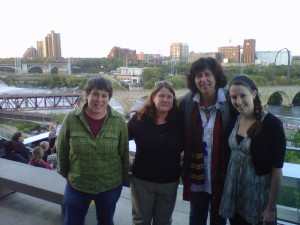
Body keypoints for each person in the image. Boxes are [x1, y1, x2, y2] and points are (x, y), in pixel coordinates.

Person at [57, 77, 129, 225]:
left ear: (109, 98)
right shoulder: (71, 118)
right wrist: (67, 175)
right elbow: (62, 149)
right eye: (95, 94)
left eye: (104, 95)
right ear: (87, 94)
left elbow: (124, 153)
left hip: (109, 185)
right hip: (77, 185)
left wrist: (123, 180)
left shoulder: (119, 121)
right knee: (71, 222)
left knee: (106, 221)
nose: (99, 99)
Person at [219, 75, 286, 225]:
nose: (238, 101)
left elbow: (277, 170)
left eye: (243, 95)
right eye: (233, 97)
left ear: (254, 94)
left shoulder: (272, 125)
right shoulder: (235, 119)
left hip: (258, 200)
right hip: (234, 196)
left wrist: (271, 208)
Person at [178, 57, 237, 225]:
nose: (203, 80)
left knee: (219, 217)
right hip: (197, 172)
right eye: (198, 76)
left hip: (222, 173)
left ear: (216, 77)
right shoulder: (187, 102)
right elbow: (175, 126)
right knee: (196, 216)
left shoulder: (229, 100)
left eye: (207, 75)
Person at [128, 81, 184, 225]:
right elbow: (122, 139)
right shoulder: (139, 119)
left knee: (163, 221)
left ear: (173, 99)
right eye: (161, 96)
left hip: (169, 182)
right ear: (153, 98)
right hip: (142, 181)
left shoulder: (180, 121)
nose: (165, 100)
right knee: (141, 221)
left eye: (169, 97)